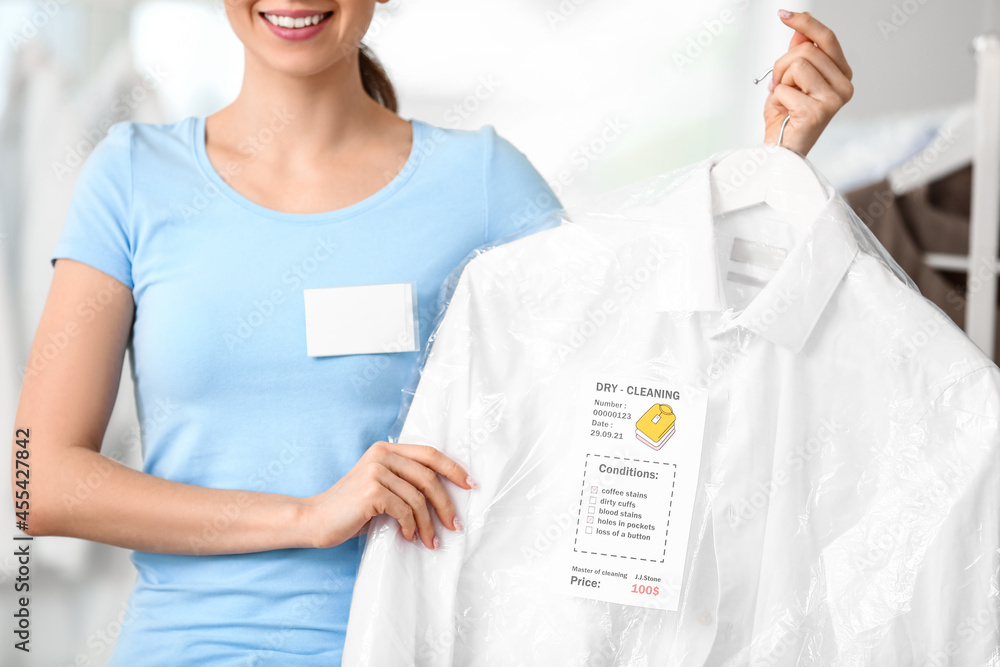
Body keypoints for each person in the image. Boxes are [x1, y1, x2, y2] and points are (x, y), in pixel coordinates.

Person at [10, 1, 853, 664]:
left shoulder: (481, 182)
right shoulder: (132, 175)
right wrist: (307, 513)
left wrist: (774, 163)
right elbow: (31, 479)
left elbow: (646, 380)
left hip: (415, 643)